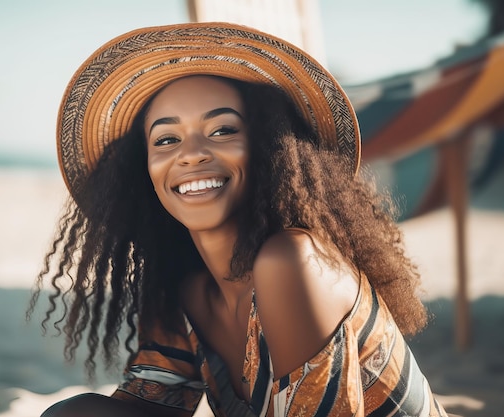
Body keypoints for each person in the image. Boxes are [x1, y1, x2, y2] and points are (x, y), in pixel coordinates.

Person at [29, 22, 448, 417]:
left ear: (271, 149)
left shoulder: (292, 262)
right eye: (167, 139)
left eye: (222, 131)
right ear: (143, 170)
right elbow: (150, 406)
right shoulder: (183, 288)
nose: (191, 153)